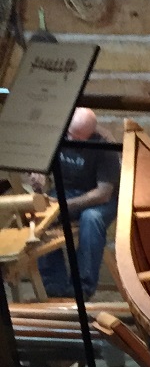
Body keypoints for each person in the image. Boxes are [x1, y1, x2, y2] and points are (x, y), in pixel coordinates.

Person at [29, 108, 118, 299]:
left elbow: (103, 193)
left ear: (91, 134)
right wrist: (38, 174)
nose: (72, 140)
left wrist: (66, 204)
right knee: (41, 213)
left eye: (80, 138)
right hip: (67, 193)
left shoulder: (103, 147)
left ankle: (82, 287)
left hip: (99, 197)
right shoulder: (56, 134)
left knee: (91, 218)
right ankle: (53, 283)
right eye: (70, 135)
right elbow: (39, 164)